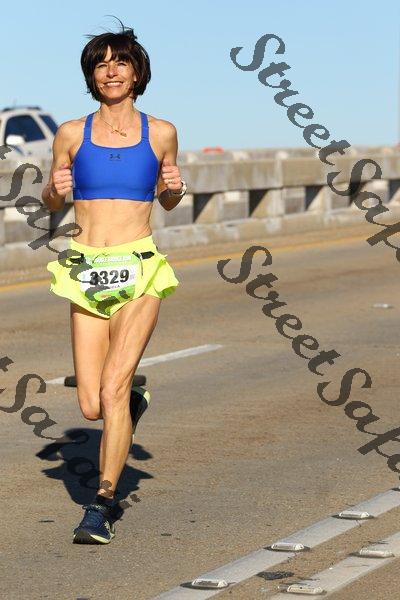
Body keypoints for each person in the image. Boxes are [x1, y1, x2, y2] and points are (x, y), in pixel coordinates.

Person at [41, 20, 186, 544]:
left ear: (137, 72)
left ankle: (101, 504)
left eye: (120, 62)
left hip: (139, 267)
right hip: (85, 269)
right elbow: (51, 202)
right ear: (92, 77)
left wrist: (174, 189)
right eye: (101, 64)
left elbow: (168, 198)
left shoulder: (161, 132)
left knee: (113, 388)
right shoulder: (70, 134)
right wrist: (54, 190)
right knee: (91, 406)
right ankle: (132, 403)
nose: (111, 71)